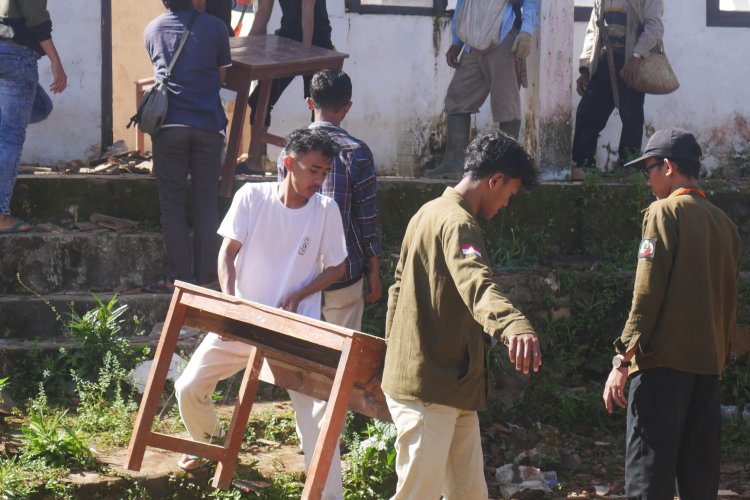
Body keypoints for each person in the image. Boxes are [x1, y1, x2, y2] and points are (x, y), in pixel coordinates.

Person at [175, 128, 348, 499]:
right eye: (313, 170)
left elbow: (338, 267)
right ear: (289, 164)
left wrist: (301, 292)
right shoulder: (252, 196)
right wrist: (231, 306)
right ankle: (209, 443)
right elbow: (226, 254)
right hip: (245, 322)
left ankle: (330, 495)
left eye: (324, 173)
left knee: (317, 417)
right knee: (188, 387)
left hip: (298, 332)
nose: (318, 180)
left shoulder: (326, 210)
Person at [382, 129, 543, 499]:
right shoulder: (457, 223)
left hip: (451, 387)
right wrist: (513, 325)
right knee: (417, 494)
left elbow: (396, 289)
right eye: (509, 194)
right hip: (428, 389)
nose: (505, 204)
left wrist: (392, 357)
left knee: (469, 493)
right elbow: (476, 283)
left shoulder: (426, 213)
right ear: (495, 180)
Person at [602, 128, 740, 497]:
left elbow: (646, 294)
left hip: (662, 370)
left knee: (649, 481)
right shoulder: (726, 226)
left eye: (648, 169)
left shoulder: (664, 213)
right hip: (708, 372)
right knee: (699, 484)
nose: (647, 179)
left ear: (668, 167)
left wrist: (623, 358)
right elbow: (729, 301)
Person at [277, 69, 382, 331]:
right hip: (344, 269)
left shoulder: (289, 153)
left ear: (309, 103)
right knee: (340, 351)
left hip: (299, 271)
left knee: (298, 348)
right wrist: (374, 270)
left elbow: (281, 211)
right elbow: (367, 217)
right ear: (347, 108)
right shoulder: (357, 153)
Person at [143, 0, 231, 292]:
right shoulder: (217, 27)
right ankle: (207, 276)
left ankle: (179, 278)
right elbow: (221, 78)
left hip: (169, 126)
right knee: (206, 201)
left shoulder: (152, 28)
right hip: (208, 125)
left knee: (172, 203)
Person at [426, 0, 539, 179]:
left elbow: (531, 2)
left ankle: (505, 168)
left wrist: (526, 31)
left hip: (504, 36)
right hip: (473, 40)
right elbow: (463, 5)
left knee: (506, 105)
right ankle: (454, 162)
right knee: (457, 99)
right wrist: (457, 43)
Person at [571, 0, 664, 180]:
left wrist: (636, 57)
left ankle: (628, 168)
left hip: (632, 61)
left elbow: (655, 27)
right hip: (606, 60)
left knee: (631, 116)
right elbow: (593, 31)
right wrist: (586, 69)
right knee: (587, 113)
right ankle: (583, 165)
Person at [0, 0, 66, 234]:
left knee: (41, 107)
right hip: (16, 54)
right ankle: (0, 215)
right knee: (9, 135)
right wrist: (55, 60)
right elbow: (36, 19)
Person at [247, 0, 333, 128]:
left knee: (319, 104)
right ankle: (255, 147)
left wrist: (306, 51)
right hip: (288, 37)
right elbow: (264, 9)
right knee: (259, 101)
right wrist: (249, 43)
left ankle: (319, 146)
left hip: (317, 39)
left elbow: (307, 6)